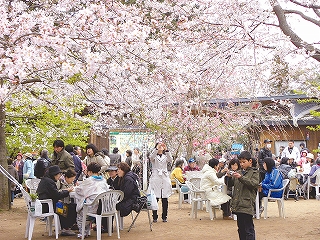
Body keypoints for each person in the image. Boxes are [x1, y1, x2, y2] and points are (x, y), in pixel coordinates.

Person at [36, 165, 75, 236]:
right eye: (59, 174)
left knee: (66, 205)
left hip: (45, 204)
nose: (59, 176)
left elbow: (53, 194)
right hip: (47, 206)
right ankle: (65, 228)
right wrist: (67, 191)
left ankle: (65, 226)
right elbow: (57, 195)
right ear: (54, 174)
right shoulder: (49, 182)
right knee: (71, 207)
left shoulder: (45, 180)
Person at [74, 162, 109, 238]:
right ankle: (86, 231)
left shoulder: (89, 180)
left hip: (91, 208)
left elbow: (79, 191)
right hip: (103, 207)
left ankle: (83, 232)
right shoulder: (103, 180)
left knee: (80, 212)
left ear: (89, 171)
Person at [230, 151, 259, 240]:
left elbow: (253, 184)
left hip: (247, 205)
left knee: (249, 229)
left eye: (244, 162)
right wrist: (228, 177)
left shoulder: (255, 173)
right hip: (238, 204)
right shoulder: (239, 172)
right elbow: (231, 184)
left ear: (250, 161)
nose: (241, 164)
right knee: (241, 228)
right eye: (240, 162)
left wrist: (241, 177)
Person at [149, 142, 173, 223]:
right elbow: (151, 158)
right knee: (155, 198)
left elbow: (170, 160)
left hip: (164, 177)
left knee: (165, 197)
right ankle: (154, 216)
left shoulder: (165, 156)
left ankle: (164, 216)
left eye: (161, 146)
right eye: (158, 146)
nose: (160, 147)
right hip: (156, 177)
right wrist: (156, 149)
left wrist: (167, 150)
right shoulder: (154, 156)